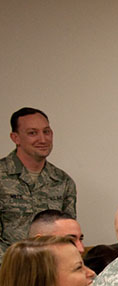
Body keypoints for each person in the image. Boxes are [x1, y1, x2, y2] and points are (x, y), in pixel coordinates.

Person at [1, 108, 77, 260]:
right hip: (7, 271)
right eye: (32, 133)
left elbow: (69, 234)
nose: (42, 139)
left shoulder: (62, 181)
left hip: (50, 270)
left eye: (46, 132)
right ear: (15, 137)